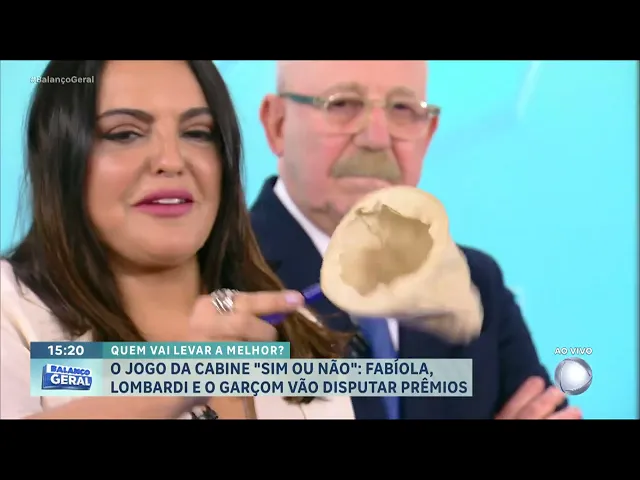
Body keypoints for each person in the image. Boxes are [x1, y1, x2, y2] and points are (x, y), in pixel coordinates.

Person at [0, 60, 354, 420]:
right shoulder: (12, 311)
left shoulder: (297, 331)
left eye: (197, 133)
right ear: (59, 154)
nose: (171, 161)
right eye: (125, 134)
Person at [251, 60, 583, 420]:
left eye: (402, 109)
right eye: (342, 104)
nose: (377, 139)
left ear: (428, 133)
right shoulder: (223, 280)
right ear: (277, 124)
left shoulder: (475, 282)